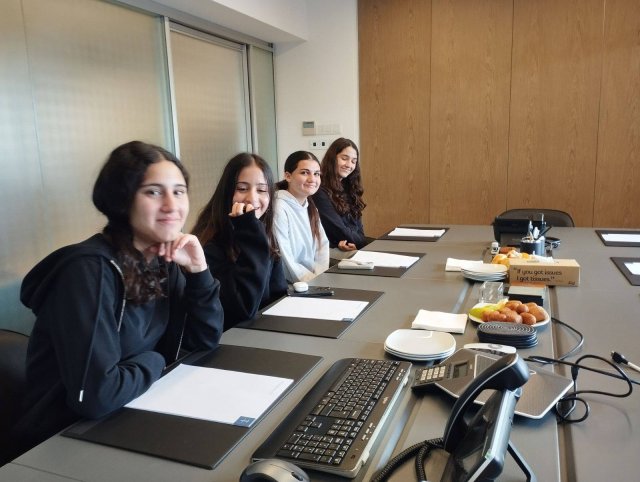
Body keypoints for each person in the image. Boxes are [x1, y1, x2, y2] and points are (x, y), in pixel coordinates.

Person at [11, 141, 224, 461]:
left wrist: (198, 272)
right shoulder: (90, 271)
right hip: (64, 439)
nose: (171, 205)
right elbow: (96, 396)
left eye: (179, 192)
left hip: (131, 412)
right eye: (153, 192)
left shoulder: (163, 260)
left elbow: (205, 339)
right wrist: (155, 360)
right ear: (122, 200)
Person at [191, 153, 287, 330]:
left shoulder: (262, 232)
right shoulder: (210, 244)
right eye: (242, 189)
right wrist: (250, 232)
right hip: (232, 339)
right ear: (227, 193)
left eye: (261, 190)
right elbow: (242, 310)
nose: (252, 198)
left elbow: (278, 295)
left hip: (266, 334)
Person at [273, 151, 329, 283]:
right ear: (288, 176)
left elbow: (322, 245)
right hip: (293, 283)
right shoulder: (279, 208)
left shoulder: (310, 207)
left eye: (316, 174)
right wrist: (312, 281)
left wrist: (321, 277)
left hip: (314, 279)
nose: (312, 179)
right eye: (304, 173)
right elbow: (285, 257)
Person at [312, 138, 368, 252]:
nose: (349, 165)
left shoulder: (350, 188)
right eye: (344, 158)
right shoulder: (319, 189)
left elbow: (360, 230)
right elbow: (339, 230)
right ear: (332, 158)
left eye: (353, 161)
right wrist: (360, 243)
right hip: (329, 250)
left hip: (352, 246)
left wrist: (359, 244)